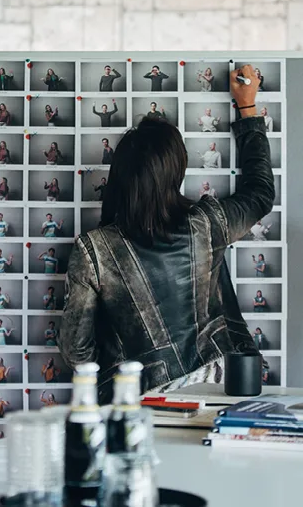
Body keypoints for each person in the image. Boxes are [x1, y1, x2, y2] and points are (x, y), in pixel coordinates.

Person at [58, 65, 272, 400]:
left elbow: (77, 351)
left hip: (136, 398)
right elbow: (260, 192)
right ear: (175, 173)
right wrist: (247, 109)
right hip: (215, 387)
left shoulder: (94, 249)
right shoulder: (208, 223)